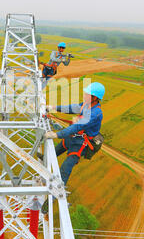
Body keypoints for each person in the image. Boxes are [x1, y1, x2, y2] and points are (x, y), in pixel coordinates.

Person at [42, 82, 105, 213]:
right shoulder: (85, 105)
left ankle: (53, 197)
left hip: (80, 144)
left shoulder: (96, 113)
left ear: (95, 97)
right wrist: (53, 107)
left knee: (65, 169)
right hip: (72, 138)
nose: (85, 95)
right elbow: (72, 108)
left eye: (88, 94)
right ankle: (44, 159)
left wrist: (57, 134)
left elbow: (77, 126)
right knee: (53, 151)